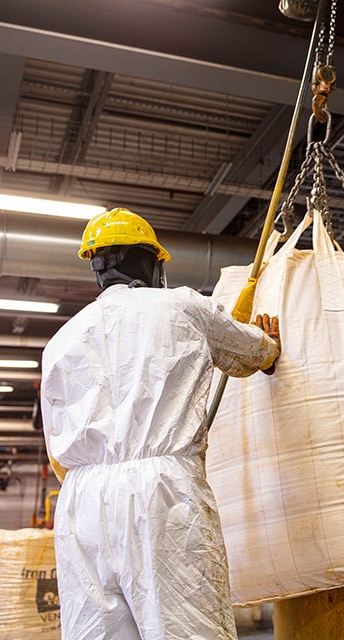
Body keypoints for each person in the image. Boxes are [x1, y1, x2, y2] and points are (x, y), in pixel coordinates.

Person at [40, 207, 280, 640]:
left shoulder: (61, 341)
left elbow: (57, 452)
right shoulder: (182, 306)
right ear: (151, 261)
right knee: (186, 629)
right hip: (161, 494)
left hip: (80, 504)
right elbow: (253, 353)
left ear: (96, 268)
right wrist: (269, 344)